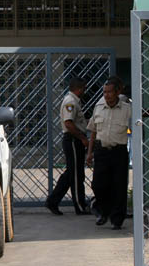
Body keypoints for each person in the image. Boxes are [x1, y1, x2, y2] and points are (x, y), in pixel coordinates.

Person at [86, 78, 132, 230]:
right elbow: (93, 131)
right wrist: (90, 152)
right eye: (104, 92)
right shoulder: (98, 108)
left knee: (119, 186)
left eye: (110, 92)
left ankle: (117, 219)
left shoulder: (127, 109)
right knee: (98, 185)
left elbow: (136, 130)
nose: (107, 95)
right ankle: (103, 212)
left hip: (119, 152)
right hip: (101, 151)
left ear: (118, 92)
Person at [45, 77, 90, 215]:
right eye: (84, 88)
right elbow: (69, 123)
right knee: (76, 175)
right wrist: (82, 138)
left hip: (74, 140)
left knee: (71, 173)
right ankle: (80, 206)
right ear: (79, 89)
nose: (85, 91)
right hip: (73, 140)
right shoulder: (70, 102)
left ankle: (53, 201)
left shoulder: (74, 101)